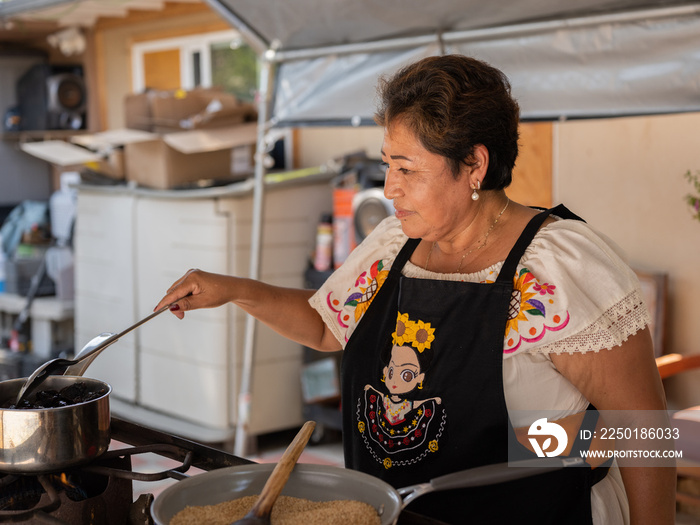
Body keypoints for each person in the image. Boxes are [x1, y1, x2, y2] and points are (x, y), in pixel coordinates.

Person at [154, 54, 675, 524]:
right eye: (387, 164)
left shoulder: (558, 268)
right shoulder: (393, 245)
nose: (389, 188)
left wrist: (564, 444)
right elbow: (326, 325)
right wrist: (232, 289)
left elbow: (642, 431)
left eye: (407, 168)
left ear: (474, 164)